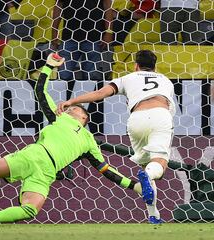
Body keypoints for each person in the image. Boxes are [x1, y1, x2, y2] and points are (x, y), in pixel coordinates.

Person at [0, 53, 142, 224]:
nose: (70, 108)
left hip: (46, 173)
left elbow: (106, 170)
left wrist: (134, 186)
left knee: (31, 210)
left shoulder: (89, 141)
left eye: (75, 108)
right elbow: (40, 91)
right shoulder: (59, 117)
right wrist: (48, 66)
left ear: (83, 116)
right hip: (35, 154)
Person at [57, 50, 175, 224]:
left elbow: (98, 95)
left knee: (146, 166)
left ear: (136, 65)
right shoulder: (165, 80)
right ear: (155, 67)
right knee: (159, 163)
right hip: (160, 114)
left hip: (136, 119)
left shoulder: (127, 78)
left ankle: (154, 215)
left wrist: (71, 101)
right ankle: (150, 176)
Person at [51, 0, 114, 81]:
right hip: (69, 37)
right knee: (63, 76)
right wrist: (54, 31)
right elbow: (59, 5)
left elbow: (108, 7)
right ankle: (63, 93)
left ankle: (90, 93)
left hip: (94, 38)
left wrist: (109, 32)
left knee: (92, 77)